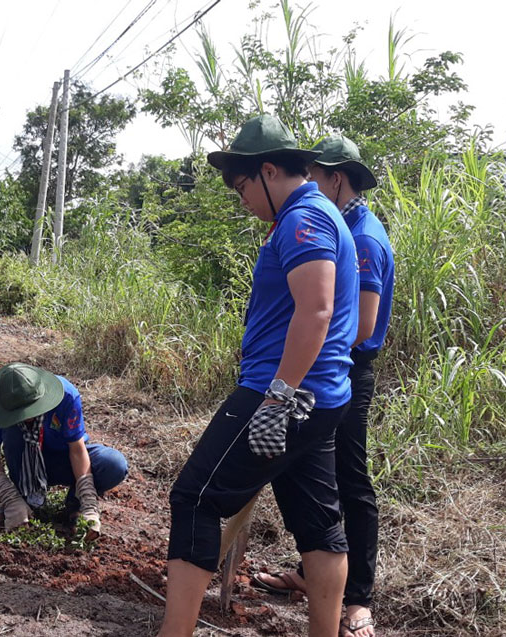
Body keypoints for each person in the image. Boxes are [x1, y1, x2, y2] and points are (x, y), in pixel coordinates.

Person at [157, 114, 360, 637]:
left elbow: (315, 311)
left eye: (240, 184)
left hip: (285, 394)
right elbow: (340, 316)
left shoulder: (303, 219)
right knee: (319, 527)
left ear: (269, 171)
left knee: (195, 499)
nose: (239, 197)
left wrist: (278, 397)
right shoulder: (320, 215)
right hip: (320, 395)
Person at [252, 135, 393, 637]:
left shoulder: (366, 238)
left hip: (343, 371)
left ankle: (357, 600)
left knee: (348, 482)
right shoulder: (337, 223)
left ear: (336, 178)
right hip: (318, 367)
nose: (307, 184)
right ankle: (314, 576)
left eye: (315, 175)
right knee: (315, 481)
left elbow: (358, 325)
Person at [0, 363, 128, 536]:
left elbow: (77, 450)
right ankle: (22, 500)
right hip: (24, 465)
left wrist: (88, 501)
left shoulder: (66, 395)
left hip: (63, 460)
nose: (27, 419)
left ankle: (76, 505)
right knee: (13, 433)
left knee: (113, 464)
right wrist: (10, 499)